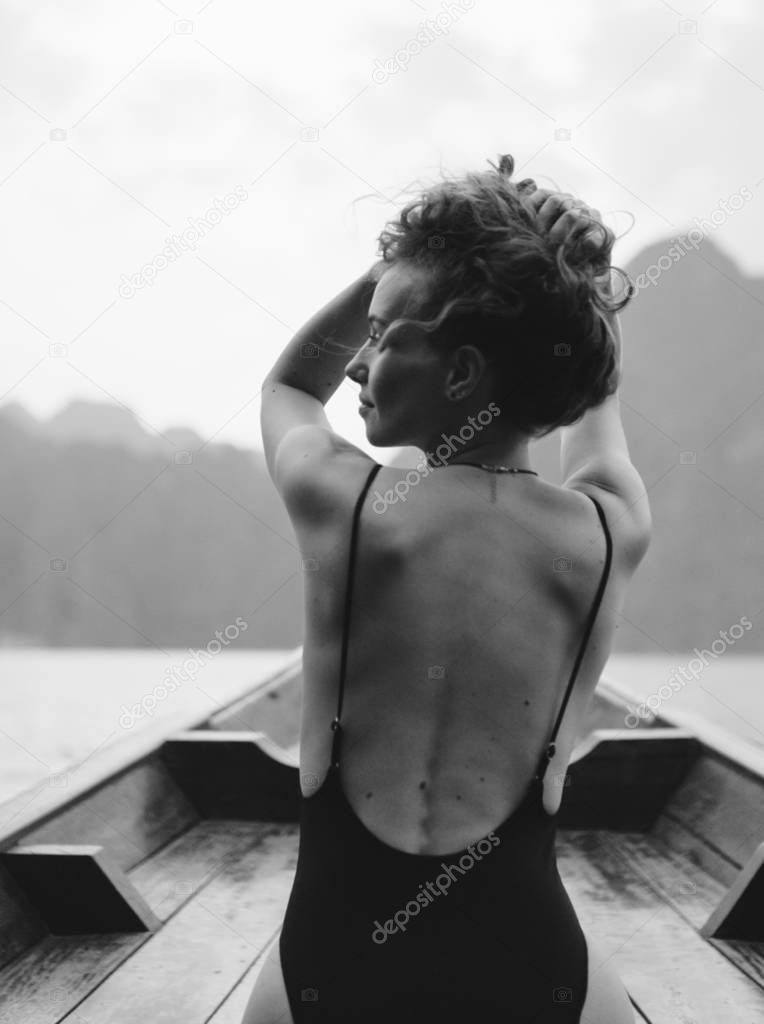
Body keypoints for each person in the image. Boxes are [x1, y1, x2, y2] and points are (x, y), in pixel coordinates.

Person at [243, 153, 651, 1023]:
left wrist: (390, 264)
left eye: (385, 335)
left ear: (460, 375)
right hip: (529, 969)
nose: (359, 362)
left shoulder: (345, 503)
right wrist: (567, 283)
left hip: (334, 965)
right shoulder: (608, 531)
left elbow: (290, 385)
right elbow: (597, 395)